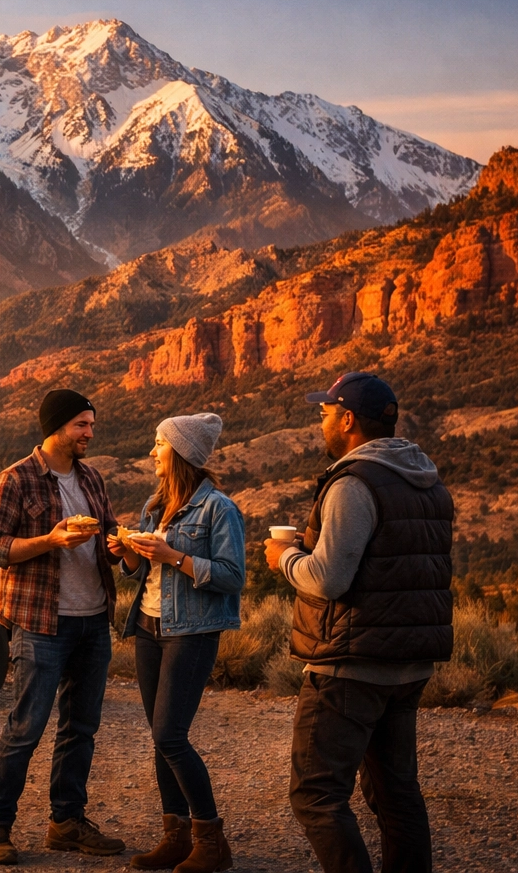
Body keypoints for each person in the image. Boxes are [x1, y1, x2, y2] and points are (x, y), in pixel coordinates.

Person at [265, 373, 452, 873]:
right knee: (395, 792)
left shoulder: (354, 483)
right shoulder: (425, 479)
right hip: (409, 662)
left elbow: (329, 580)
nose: (321, 422)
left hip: (351, 664)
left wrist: (284, 558)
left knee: (315, 794)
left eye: (325, 413)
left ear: (348, 420)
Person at [0, 389, 127, 864]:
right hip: (42, 622)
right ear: (56, 426)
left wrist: (120, 546)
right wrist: (50, 540)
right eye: (82, 424)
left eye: (92, 425)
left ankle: (67, 822)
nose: (90, 433)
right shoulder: (15, 480)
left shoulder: (91, 477)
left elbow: (107, 532)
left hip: (93, 621)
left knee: (80, 728)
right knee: (26, 728)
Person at [108, 414, 244, 872]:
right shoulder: (156, 504)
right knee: (160, 738)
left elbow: (232, 576)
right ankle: (176, 836)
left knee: (170, 735)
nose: (152, 452)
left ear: (181, 452)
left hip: (192, 632)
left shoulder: (219, 509)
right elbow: (142, 574)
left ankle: (211, 841)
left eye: (159, 443)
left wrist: (173, 556)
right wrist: (129, 554)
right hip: (149, 627)